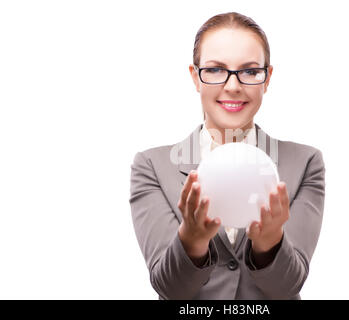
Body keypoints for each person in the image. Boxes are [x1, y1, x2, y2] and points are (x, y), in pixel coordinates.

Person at [129, 12, 326, 300]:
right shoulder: (152, 166)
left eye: (249, 71)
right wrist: (192, 240)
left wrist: (270, 243)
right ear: (195, 77)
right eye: (215, 69)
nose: (233, 86)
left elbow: (288, 287)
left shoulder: (305, 163)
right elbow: (169, 288)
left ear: (267, 78)